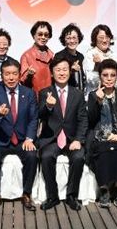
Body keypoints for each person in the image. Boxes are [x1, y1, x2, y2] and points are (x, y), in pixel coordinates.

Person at [0, 59, 39, 212]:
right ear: (1, 75)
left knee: (32, 155)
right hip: (0, 139)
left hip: (22, 139)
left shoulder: (29, 93)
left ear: (19, 75)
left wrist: (29, 138)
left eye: (14, 74)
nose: (11, 78)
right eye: (7, 74)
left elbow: (33, 118)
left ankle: (27, 194)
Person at [37, 56, 88, 211]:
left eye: (65, 69)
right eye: (58, 70)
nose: (61, 73)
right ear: (52, 73)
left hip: (71, 138)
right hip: (52, 139)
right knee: (46, 156)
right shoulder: (45, 92)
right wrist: (48, 106)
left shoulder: (78, 94)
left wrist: (78, 139)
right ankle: (52, 196)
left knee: (78, 157)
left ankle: (72, 196)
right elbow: (40, 115)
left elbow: (83, 119)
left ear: (70, 72)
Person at [86, 59, 117, 208]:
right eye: (105, 75)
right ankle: (104, 189)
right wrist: (98, 102)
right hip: (99, 137)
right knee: (105, 150)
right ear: (100, 76)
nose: (109, 78)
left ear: (116, 76)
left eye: (112, 75)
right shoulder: (93, 95)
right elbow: (90, 121)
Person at [83, 24, 117, 95]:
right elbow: (91, 81)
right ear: (95, 39)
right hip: (94, 96)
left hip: (111, 96)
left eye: (107, 37)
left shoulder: (114, 55)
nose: (104, 40)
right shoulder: (90, 54)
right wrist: (96, 66)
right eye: (101, 37)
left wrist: (107, 83)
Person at [20, 20, 54, 96]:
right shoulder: (26, 56)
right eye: (40, 34)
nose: (43, 37)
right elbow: (23, 81)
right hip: (34, 97)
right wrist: (29, 75)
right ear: (34, 35)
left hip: (50, 97)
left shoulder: (52, 56)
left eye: (46, 35)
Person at [55, 23, 87, 92]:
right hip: (66, 94)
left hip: (80, 94)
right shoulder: (59, 56)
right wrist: (71, 70)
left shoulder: (80, 56)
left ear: (78, 39)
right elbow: (56, 76)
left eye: (74, 38)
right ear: (64, 40)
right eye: (68, 38)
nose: (72, 41)